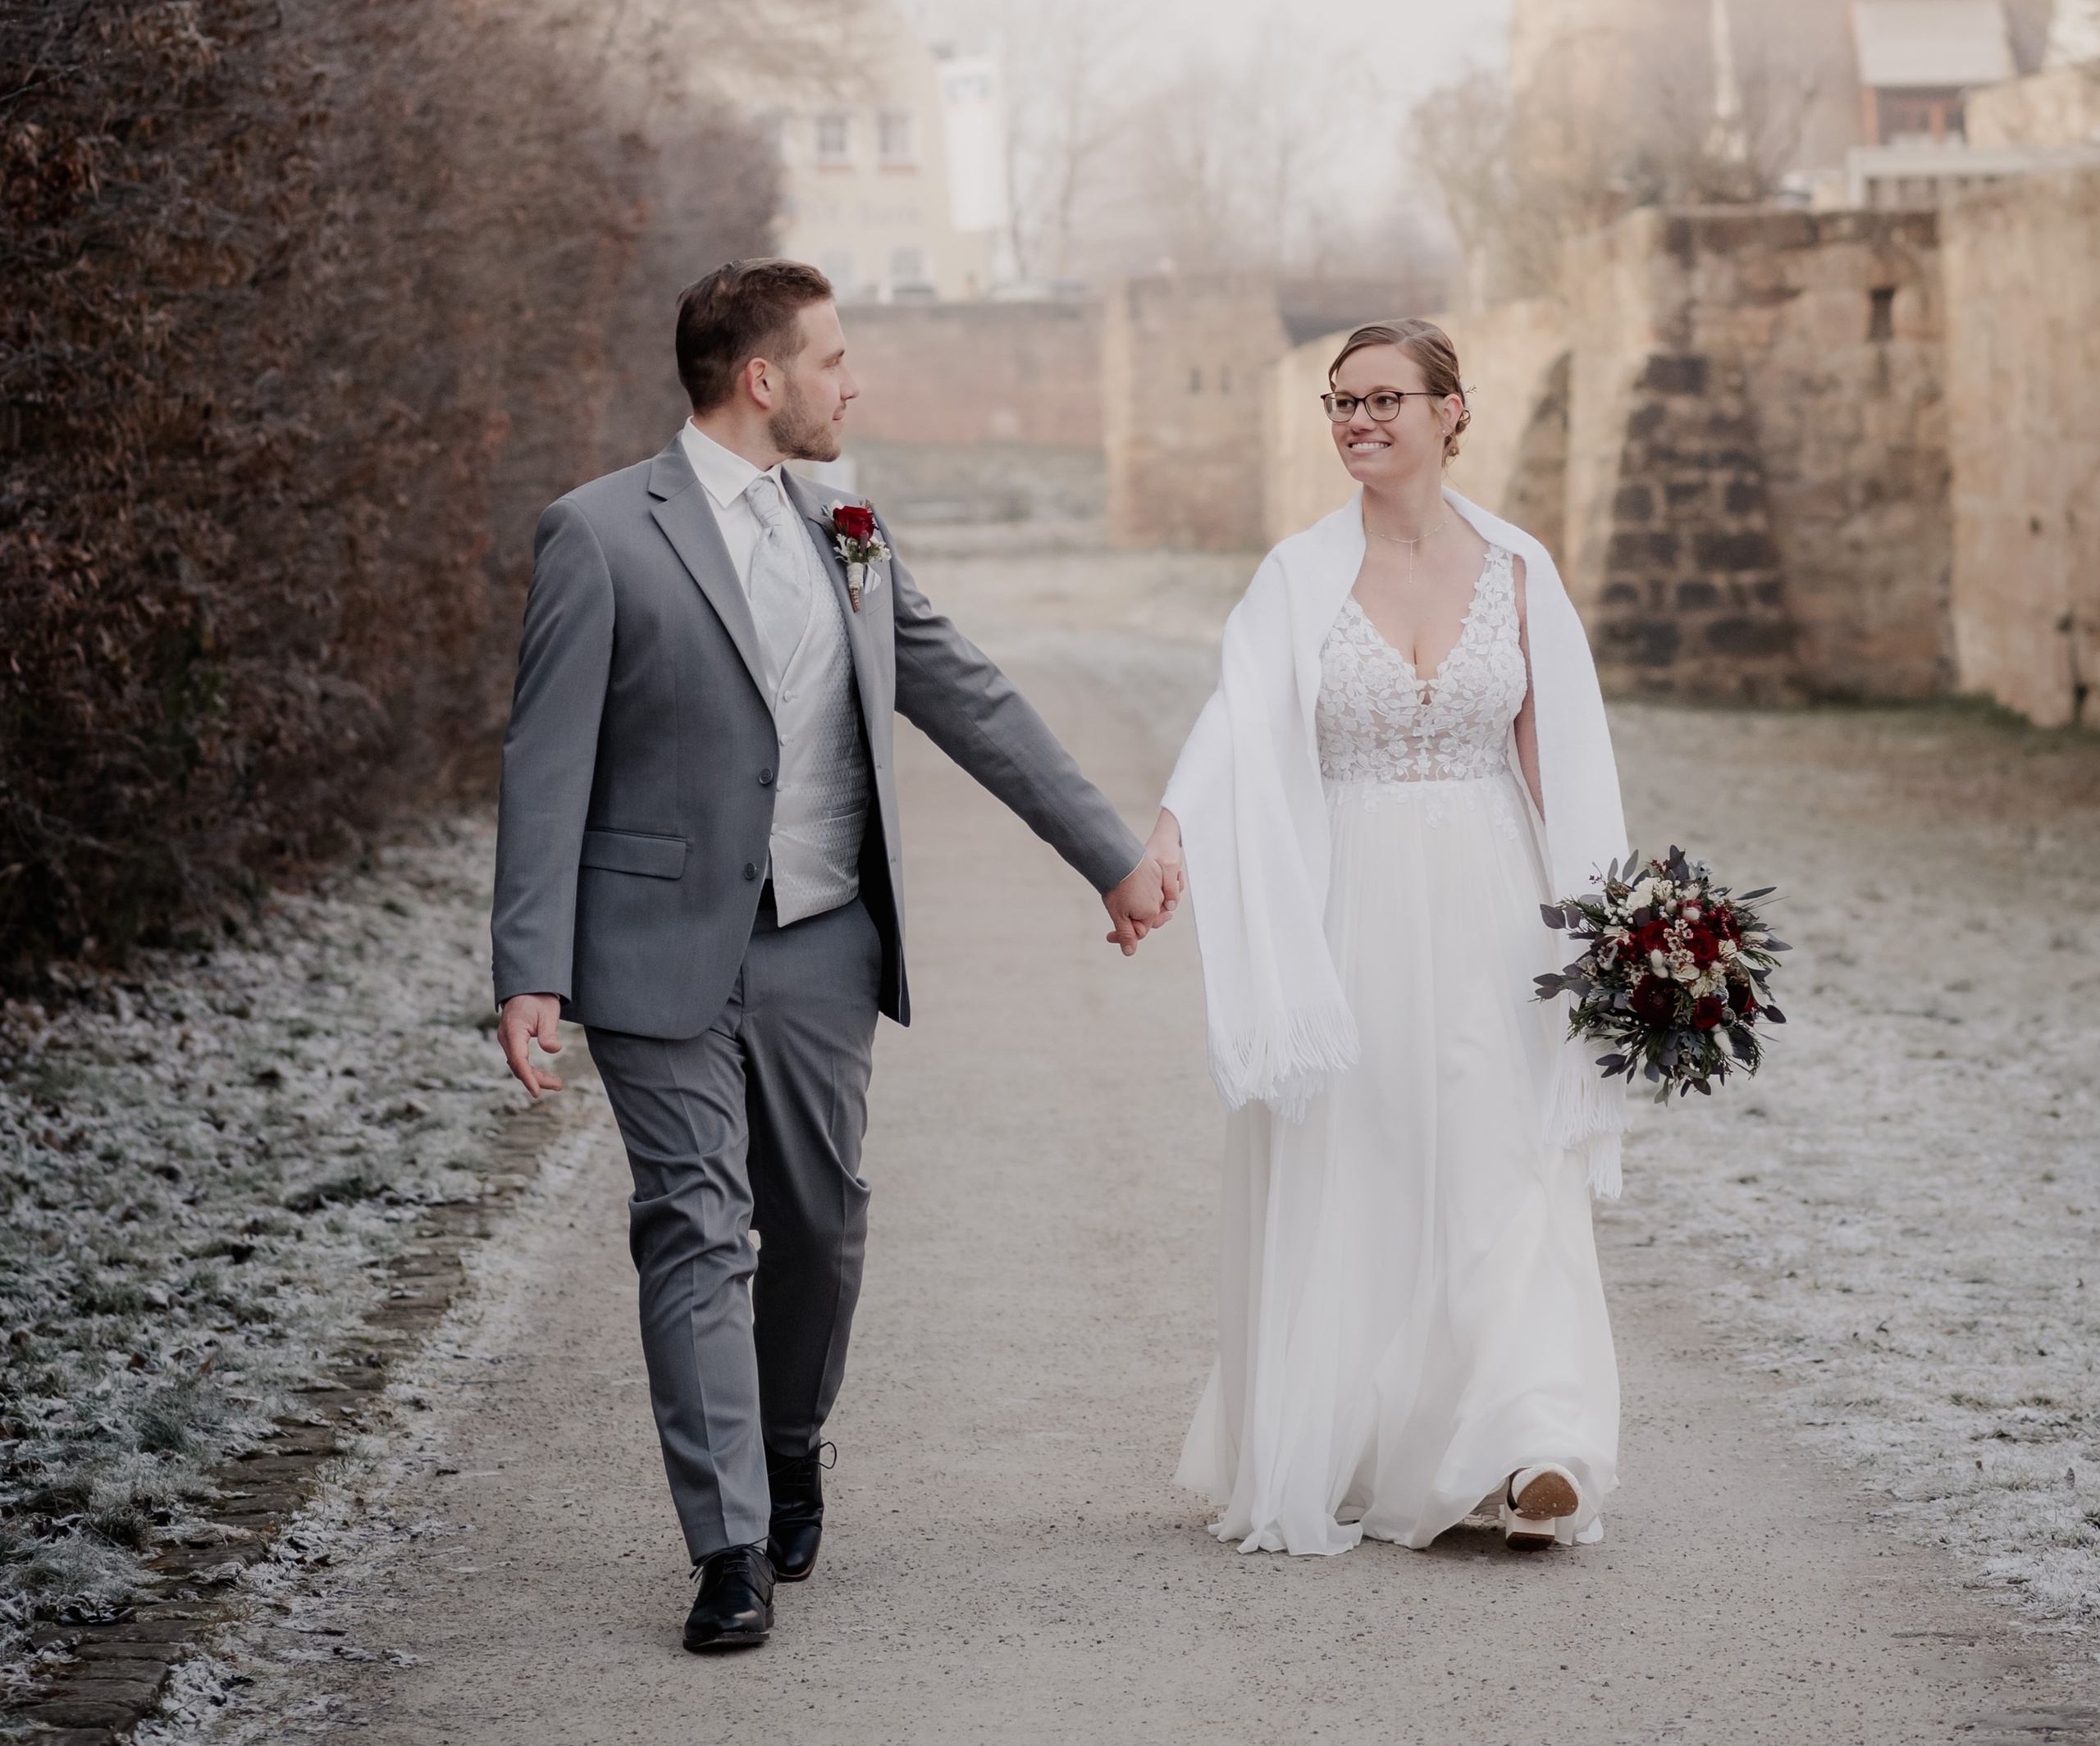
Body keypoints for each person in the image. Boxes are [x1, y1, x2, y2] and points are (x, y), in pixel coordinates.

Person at [490, 259, 1184, 1653]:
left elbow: (961, 687)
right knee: (694, 1224)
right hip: (653, 947)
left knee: (819, 1223)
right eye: (833, 360)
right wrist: (529, 966)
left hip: (819, 943)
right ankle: (728, 1545)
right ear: (764, 380)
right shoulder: (601, 533)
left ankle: (790, 1439)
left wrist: (1105, 850)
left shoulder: (850, 523)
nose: (851, 382)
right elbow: (545, 760)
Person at [1144, 317, 1627, 1559]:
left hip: (1491, 907)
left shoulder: (1520, 571)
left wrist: (1616, 937)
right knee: (1367, 1164)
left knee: (1502, 1164)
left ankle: (1530, 1448)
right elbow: (1236, 729)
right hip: (1348, 901)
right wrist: (1164, 840)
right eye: (1341, 403)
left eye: (1385, 400)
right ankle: (1369, 1438)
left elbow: (1561, 767)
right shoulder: (1298, 577)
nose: (1359, 422)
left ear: (1452, 412)